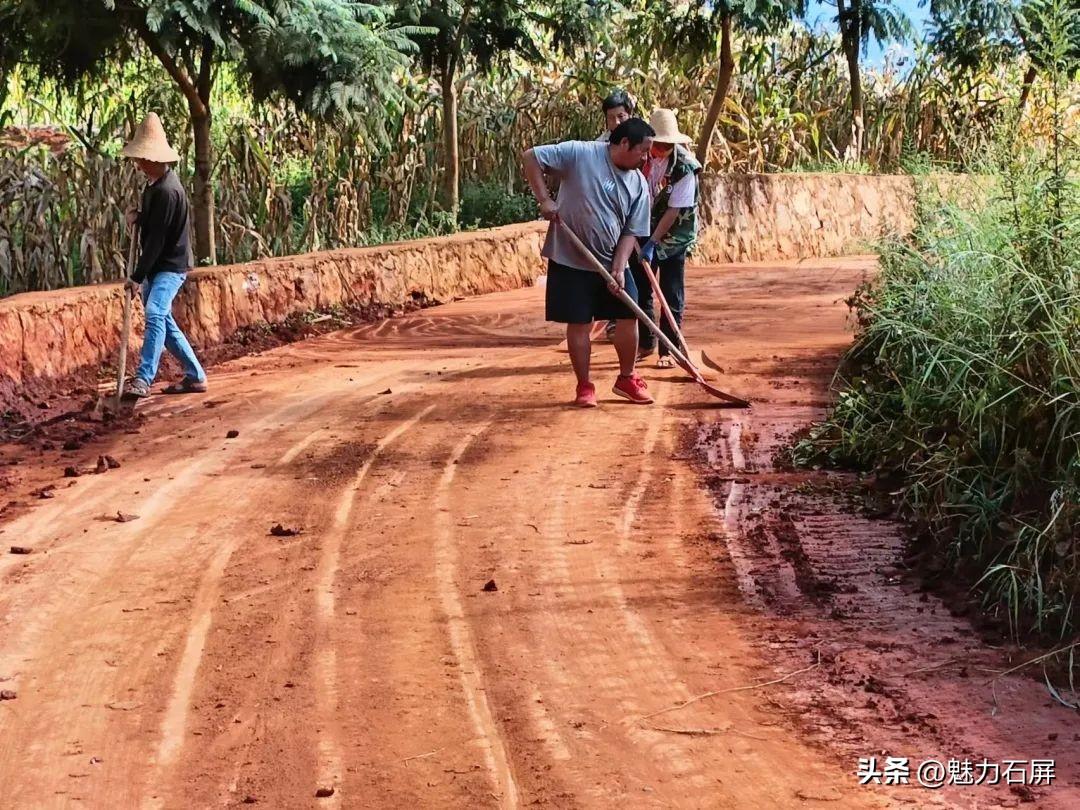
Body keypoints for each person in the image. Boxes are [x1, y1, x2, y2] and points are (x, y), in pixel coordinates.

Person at [522, 118, 655, 407]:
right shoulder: (581, 153)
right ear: (623, 144)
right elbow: (531, 156)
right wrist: (544, 200)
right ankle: (585, 386)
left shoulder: (638, 184)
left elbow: (631, 231)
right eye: (643, 151)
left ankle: (627, 378)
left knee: (628, 315)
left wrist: (619, 268)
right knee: (580, 322)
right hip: (570, 257)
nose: (646, 158)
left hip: (611, 261)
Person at [120, 113, 207, 398]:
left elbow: (157, 241)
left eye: (141, 158)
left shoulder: (167, 191)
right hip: (158, 264)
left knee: (155, 312)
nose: (137, 163)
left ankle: (144, 378)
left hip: (169, 265)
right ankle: (195, 376)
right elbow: (156, 223)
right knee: (164, 321)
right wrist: (140, 218)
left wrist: (136, 276)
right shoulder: (153, 185)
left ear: (153, 159)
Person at [630, 108, 701, 368]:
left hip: (674, 235)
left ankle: (668, 350)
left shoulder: (686, 168)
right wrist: (638, 233)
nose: (659, 149)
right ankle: (647, 342)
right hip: (642, 227)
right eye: (656, 143)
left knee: (671, 293)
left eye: (665, 144)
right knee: (641, 289)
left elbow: (673, 211)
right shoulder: (640, 157)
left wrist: (653, 242)